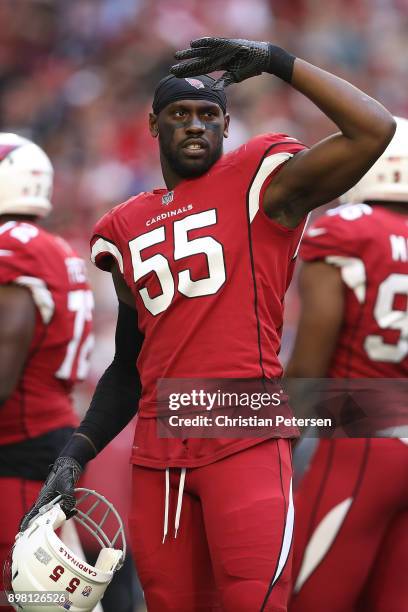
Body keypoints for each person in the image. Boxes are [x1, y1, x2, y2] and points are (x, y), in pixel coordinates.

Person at [20, 37, 395, 611]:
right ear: (153, 124)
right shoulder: (123, 225)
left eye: (208, 115)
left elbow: (373, 129)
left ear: (226, 125)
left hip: (244, 434)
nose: (194, 126)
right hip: (158, 450)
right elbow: (129, 366)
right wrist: (75, 453)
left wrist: (276, 60)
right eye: (179, 114)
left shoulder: (262, 185)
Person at [287, 118, 408, 612]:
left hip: (360, 445)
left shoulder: (345, 232)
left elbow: (308, 369)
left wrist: (272, 431)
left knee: (307, 600)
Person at [0, 133, 94, 601]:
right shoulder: (55, 247)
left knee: (24, 599)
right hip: (50, 435)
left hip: (17, 446)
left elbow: (2, 367)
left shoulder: (13, 247)